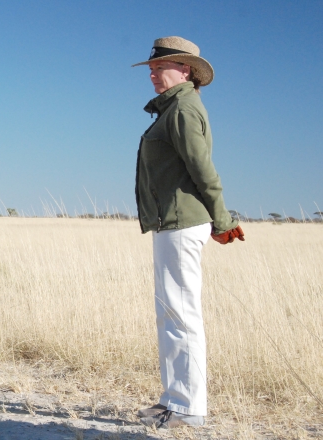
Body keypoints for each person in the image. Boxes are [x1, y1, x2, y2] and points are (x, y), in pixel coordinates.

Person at [132, 36, 244, 429]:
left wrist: (222, 220)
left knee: (181, 316)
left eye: (159, 67)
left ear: (185, 70)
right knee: (172, 314)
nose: (152, 74)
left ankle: (188, 409)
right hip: (171, 223)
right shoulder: (172, 109)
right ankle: (173, 400)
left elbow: (203, 170)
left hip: (181, 224)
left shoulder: (182, 108)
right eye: (150, 68)